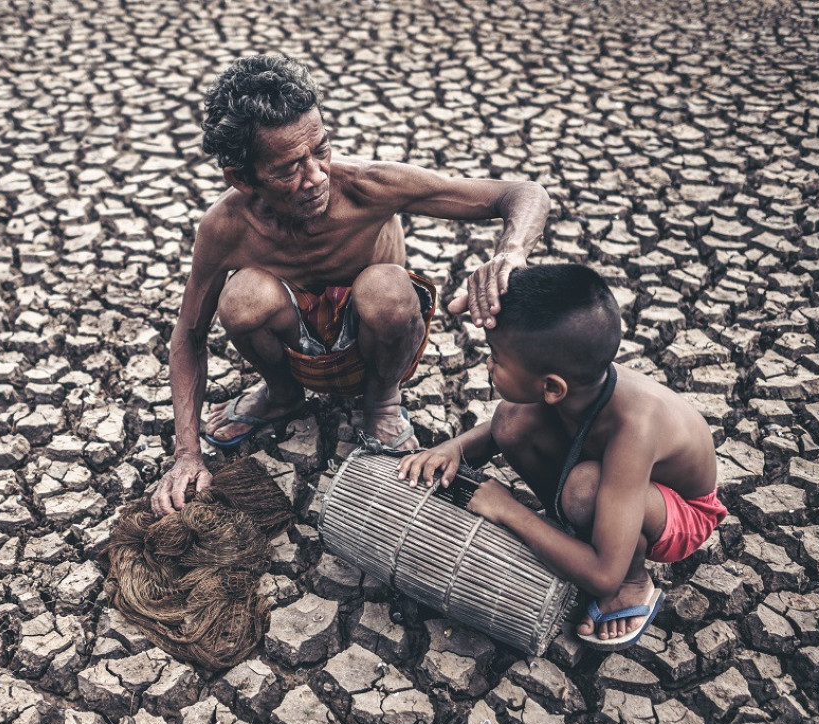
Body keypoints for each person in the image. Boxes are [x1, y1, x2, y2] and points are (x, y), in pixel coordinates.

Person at [151, 54, 551, 515]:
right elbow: (188, 333)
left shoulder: (369, 186)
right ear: (243, 179)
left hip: (376, 342)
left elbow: (523, 194)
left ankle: (381, 402)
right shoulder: (226, 228)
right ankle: (282, 395)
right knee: (240, 297)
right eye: (288, 169)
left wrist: (510, 251)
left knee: (386, 285)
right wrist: (187, 455)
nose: (316, 177)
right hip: (294, 343)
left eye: (320, 150)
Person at [397, 264, 725, 648]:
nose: (488, 365)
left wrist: (508, 509)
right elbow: (496, 432)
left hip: (681, 510)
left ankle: (634, 583)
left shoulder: (634, 428)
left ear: (552, 387)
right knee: (510, 420)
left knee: (584, 490)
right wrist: (454, 448)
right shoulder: (582, 382)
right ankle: (569, 532)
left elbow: (602, 574)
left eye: (497, 358)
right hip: (615, 480)